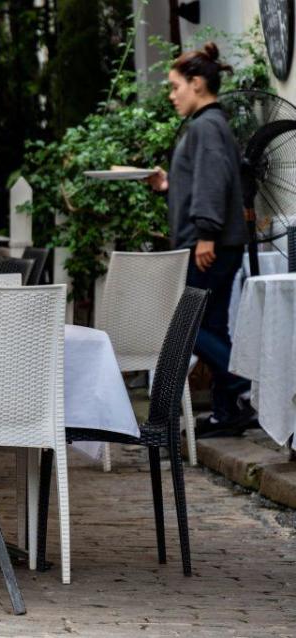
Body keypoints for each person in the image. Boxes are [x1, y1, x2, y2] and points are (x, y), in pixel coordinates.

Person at [147, 42, 255, 436]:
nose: (173, 95)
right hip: (214, 242)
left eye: (176, 87)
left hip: (208, 245)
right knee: (212, 324)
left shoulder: (206, 126)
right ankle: (230, 413)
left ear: (196, 84)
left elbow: (213, 183)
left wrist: (206, 235)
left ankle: (243, 385)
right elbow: (204, 181)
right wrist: (167, 184)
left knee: (188, 326)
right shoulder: (212, 125)